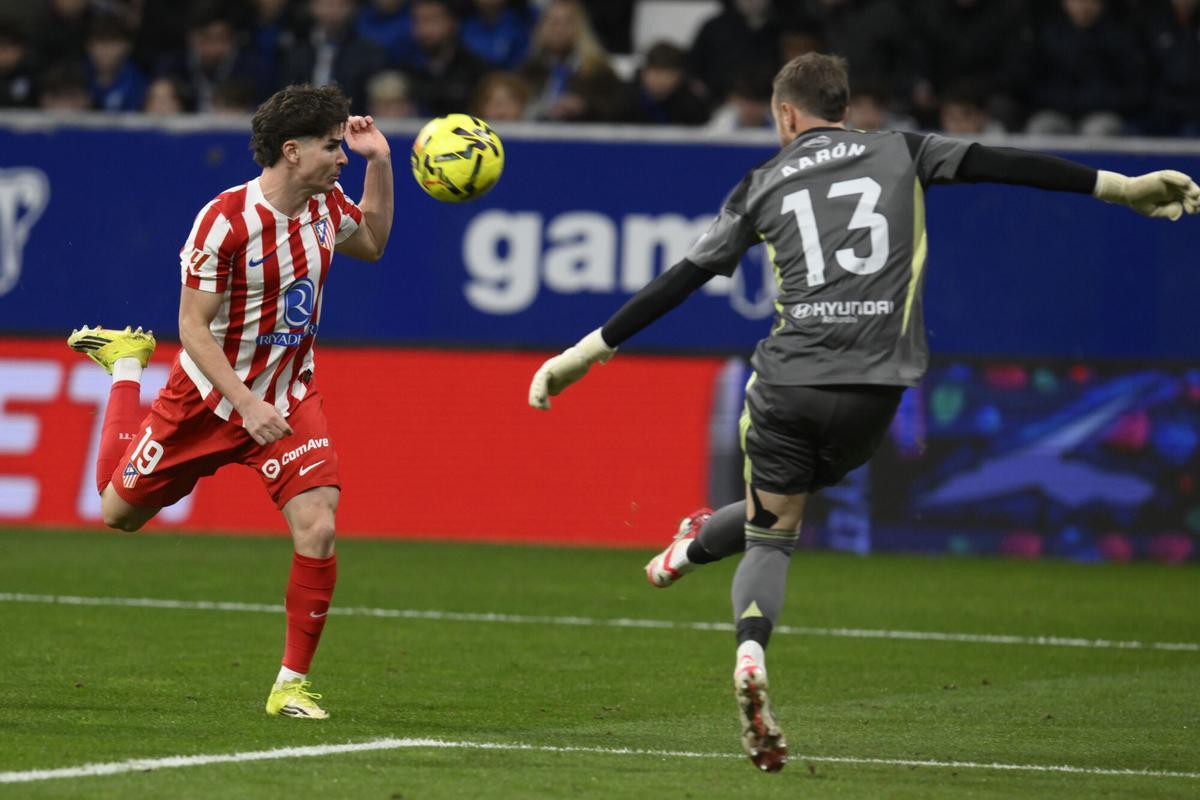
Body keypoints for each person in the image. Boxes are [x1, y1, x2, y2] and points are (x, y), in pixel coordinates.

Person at [527, 52, 1199, 772]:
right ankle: (690, 548)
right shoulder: (903, 150)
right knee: (784, 506)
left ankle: (747, 647)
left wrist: (584, 353)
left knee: (771, 531)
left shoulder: (761, 182)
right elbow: (1002, 162)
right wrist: (1122, 187)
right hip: (875, 392)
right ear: (845, 108)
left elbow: (682, 279)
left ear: (786, 114)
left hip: (787, 383)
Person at [66, 83, 394, 720]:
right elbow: (192, 328)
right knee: (117, 514)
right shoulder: (224, 221)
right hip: (207, 399)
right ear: (292, 151)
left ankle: (290, 686)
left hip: (289, 396)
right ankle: (127, 367)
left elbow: (374, 243)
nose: (342, 157)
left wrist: (380, 160)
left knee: (319, 525)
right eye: (333, 147)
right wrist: (244, 403)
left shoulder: (326, 206)